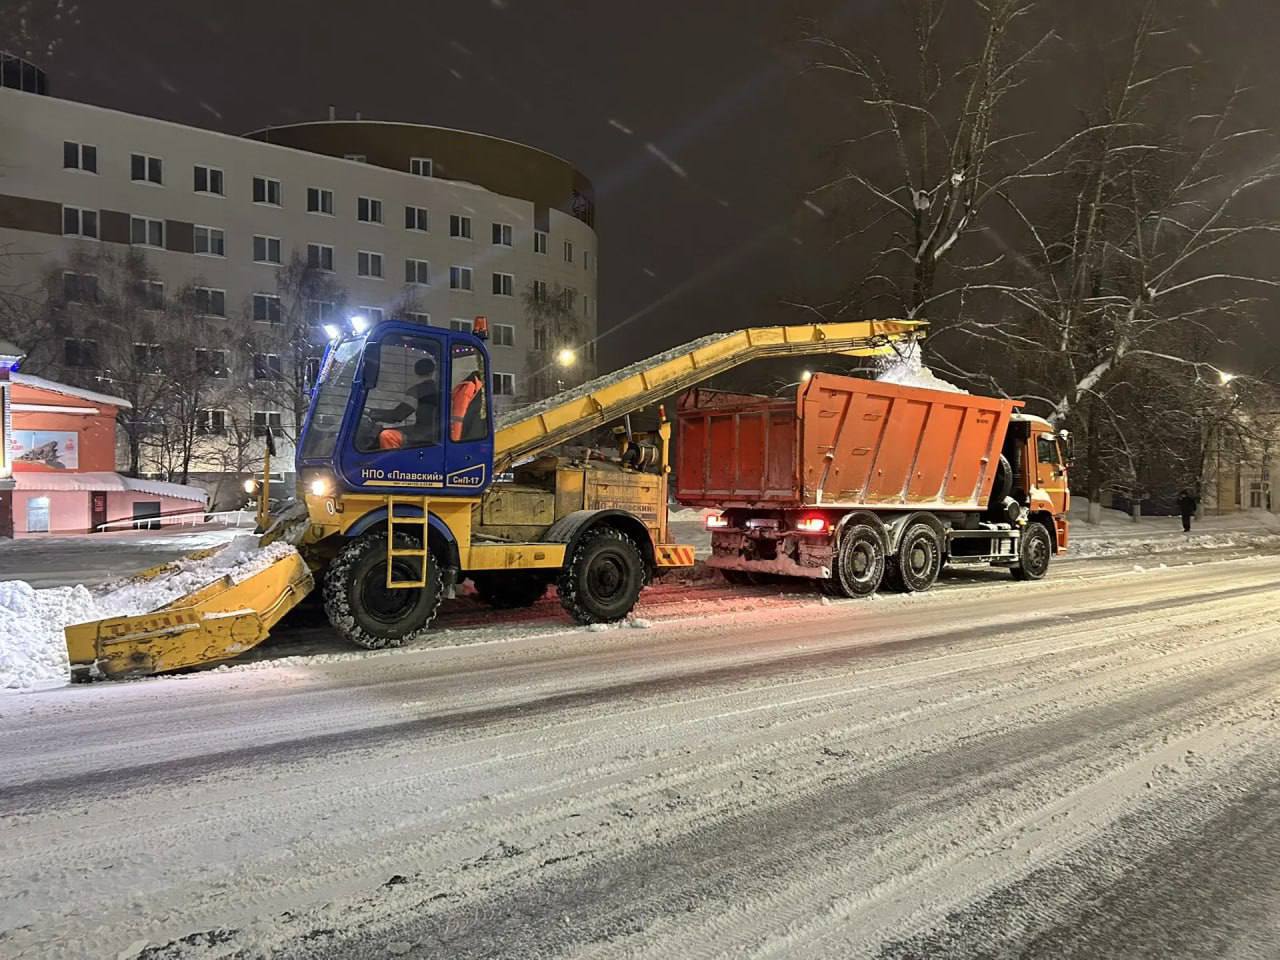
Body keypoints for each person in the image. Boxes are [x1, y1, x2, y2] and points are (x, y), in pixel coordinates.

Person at [376, 354, 439, 450]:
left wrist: (374, 414)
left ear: (415, 372)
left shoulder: (417, 390)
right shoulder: (439, 389)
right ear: (433, 371)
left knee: (386, 435)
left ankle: (392, 464)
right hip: (436, 433)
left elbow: (398, 415)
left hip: (423, 435)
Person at [450, 370, 484, 441]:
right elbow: (459, 416)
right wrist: (455, 440)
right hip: (467, 435)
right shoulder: (470, 387)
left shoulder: (477, 387)